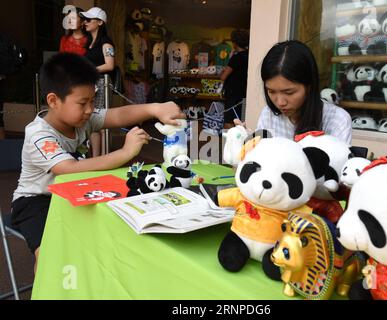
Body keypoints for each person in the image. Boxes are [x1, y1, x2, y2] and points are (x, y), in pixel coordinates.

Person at [10, 53, 185, 272]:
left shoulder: (83, 119)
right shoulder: (39, 134)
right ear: (54, 101)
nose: (90, 109)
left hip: (76, 191)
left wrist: (154, 109)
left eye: (92, 101)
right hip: (35, 201)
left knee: (110, 231)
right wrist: (125, 152)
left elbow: (119, 115)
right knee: (50, 253)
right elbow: (67, 168)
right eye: (83, 103)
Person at [251, 40, 352, 144]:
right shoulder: (268, 115)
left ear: (309, 86)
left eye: (289, 92)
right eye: (271, 91)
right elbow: (260, 157)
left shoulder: (337, 120)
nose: (280, 102)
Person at [80, 7, 115, 157]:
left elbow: (110, 65)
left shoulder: (106, 43)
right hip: (91, 84)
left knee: (100, 121)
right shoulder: (89, 43)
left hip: (102, 83)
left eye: (89, 19)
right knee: (94, 121)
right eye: (84, 19)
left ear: (100, 22)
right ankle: (96, 158)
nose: (85, 22)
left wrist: (90, 70)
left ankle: (103, 157)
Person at [220, 29, 249, 129]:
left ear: (235, 43)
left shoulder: (236, 58)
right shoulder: (249, 55)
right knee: (240, 120)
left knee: (229, 122)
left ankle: (229, 143)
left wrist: (230, 57)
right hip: (243, 93)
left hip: (233, 94)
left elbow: (223, 76)